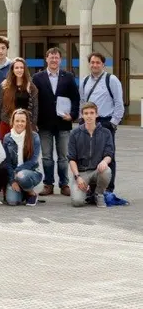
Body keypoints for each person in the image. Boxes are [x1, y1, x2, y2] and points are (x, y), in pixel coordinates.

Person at [32, 47, 79, 197]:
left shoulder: (69, 76)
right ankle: (48, 184)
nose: (53, 60)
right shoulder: (37, 77)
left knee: (63, 157)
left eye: (56, 57)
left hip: (63, 123)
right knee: (46, 156)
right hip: (44, 123)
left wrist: (72, 115)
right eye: (51, 57)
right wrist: (34, 121)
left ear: (60, 60)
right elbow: (34, 101)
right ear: (46, 59)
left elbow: (76, 98)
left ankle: (64, 184)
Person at [79, 52, 124, 194]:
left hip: (105, 122)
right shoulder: (85, 81)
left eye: (98, 62)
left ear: (103, 64)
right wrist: (82, 119)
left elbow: (119, 103)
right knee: (89, 155)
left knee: (108, 156)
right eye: (92, 62)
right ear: (89, 64)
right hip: (88, 122)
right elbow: (82, 102)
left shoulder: (111, 80)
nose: (95, 65)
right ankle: (92, 188)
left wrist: (113, 123)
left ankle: (108, 189)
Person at [68, 102, 114, 208]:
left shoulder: (106, 133)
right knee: (77, 202)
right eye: (86, 113)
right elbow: (71, 159)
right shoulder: (74, 134)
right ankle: (88, 192)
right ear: (82, 115)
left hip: (97, 171)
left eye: (92, 113)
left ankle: (99, 194)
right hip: (81, 173)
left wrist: (104, 161)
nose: (89, 116)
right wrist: (77, 177)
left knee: (106, 170)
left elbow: (109, 153)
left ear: (96, 115)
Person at [3, 109, 42, 206]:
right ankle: (23, 193)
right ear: (12, 122)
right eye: (17, 121)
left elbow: (33, 160)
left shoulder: (34, 136)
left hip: (31, 173)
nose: (20, 123)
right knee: (12, 201)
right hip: (14, 175)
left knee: (22, 176)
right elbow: (7, 162)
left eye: (23, 121)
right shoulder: (7, 138)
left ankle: (31, 193)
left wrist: (17, 171)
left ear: (27, 122)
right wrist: (12, 181)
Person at [0, 57, 38, 140]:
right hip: (7, 122)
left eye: (21, 67)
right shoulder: (5, 85)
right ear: (12, 70)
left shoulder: (31, 86)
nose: (19, 70)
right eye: (16, 68)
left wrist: (33, 124)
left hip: (23, 124)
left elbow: (35, 107)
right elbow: (0, 105)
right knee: (7, 151)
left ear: (25, 69)